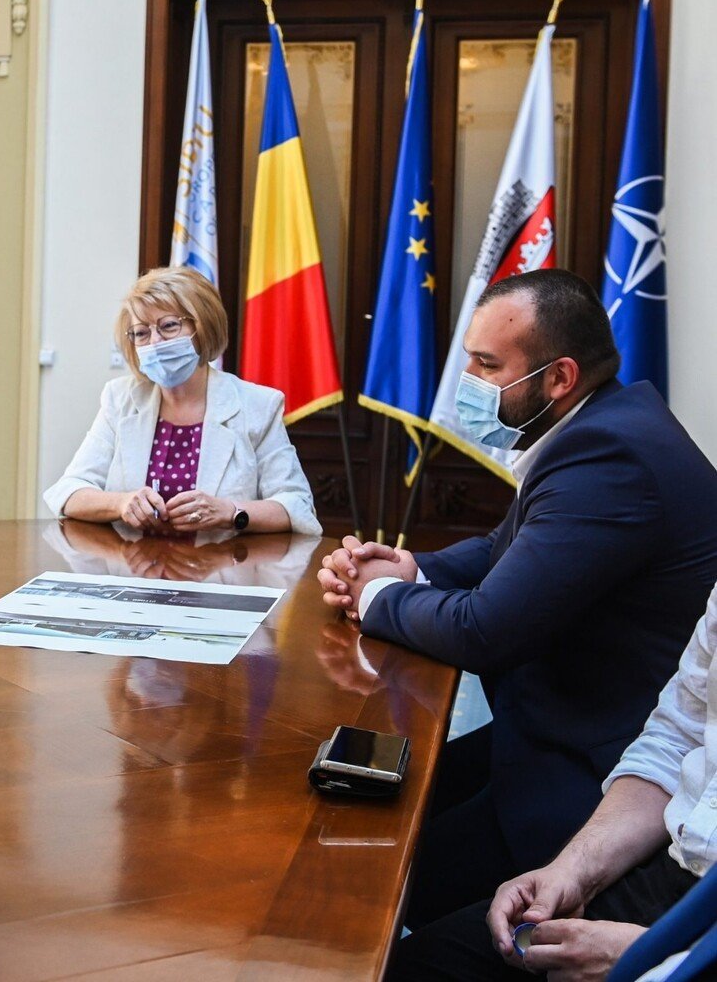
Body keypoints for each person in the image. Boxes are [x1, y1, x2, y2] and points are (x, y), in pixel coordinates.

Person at [316, 270, 717, 936]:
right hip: (547, 727)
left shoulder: (608, 455)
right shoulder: (605, 422)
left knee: (371, 882)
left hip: (588, 773)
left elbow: (485, 630)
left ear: (558, 378)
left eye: (486, 364)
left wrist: (376, 595)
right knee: (363, 817)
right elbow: (508, 547)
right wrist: (412, 568)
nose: (466, 381)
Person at [388, 580, 717, 981]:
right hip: (675, 866)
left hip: (684, 943)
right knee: (415, 963)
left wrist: (652, 956)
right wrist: (573, 870)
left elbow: (488, 625)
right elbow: (677, 739)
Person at [43, 266, 320, 537]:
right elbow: (68, 491)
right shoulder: (121, 399)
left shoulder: (257, 405)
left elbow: (297, 506)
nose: (155, 342)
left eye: (168, 326)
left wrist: (231, 512)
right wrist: (121, 503)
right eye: (141, 333)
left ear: (202, 327)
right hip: (133, 562)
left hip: (223, 563)